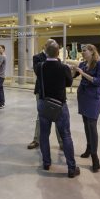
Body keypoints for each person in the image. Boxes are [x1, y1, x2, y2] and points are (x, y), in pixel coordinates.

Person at [36, 41, 80, 178]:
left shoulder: (40, 66)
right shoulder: (64, 68)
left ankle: (46, 163)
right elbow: (68, 83)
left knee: (44, 135)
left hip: (44, 104)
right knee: (66, 135)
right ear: (58, 53)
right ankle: (71, 168)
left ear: (46, 52)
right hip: (60, 105)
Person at [74, 44, 100, 173]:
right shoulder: (82, 64)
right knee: (86, 124)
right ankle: (88, 148)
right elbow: (73, 76)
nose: (82, 53)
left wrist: (83, 73)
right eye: (82, 51)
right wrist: (71, 69)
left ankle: (95, 157)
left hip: (94, 98)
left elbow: (99, 82)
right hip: (83, 96)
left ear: (92, 52)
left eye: (84, 51)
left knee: (92, 125)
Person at [28, 39, 63, 150]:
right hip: (41, 91)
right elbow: (38, 72)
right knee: (41, 116)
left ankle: (62, 142)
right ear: (45, 46)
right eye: (51, 45)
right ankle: (37, 139)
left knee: (58, 116)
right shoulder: (37, 57)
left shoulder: (57, 59)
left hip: (54, 91)